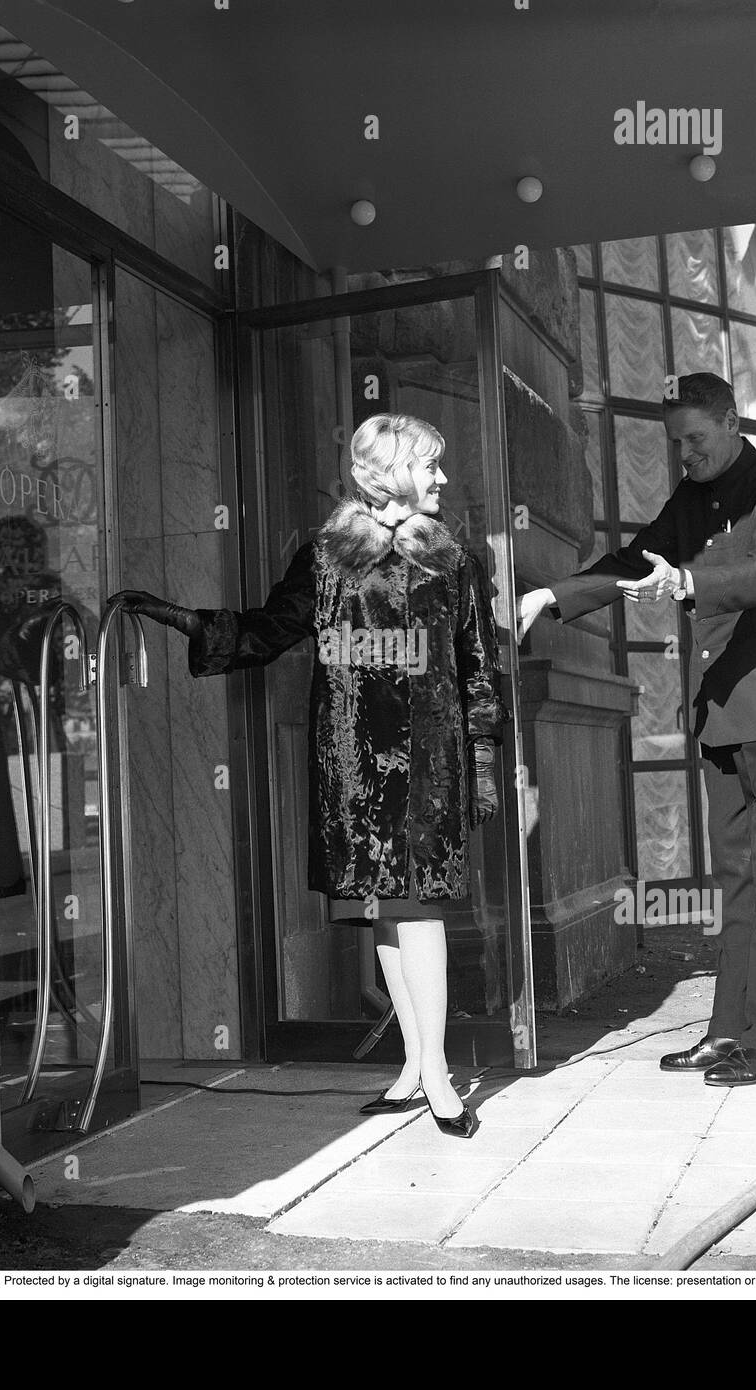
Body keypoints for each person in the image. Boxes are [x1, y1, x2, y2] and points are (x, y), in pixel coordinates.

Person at [114, 413, 509, 1135]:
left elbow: (480, 666)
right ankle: (414, 1068)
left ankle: (437, 1074)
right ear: (384, 471)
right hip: (353, 761)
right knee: (385, 911)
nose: (443, 478)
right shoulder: (326, 556)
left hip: (428, 761)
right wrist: (179, 618)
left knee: (419, 910)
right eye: (429, 464)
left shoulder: (453, 559)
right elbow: (270, 629)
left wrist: (479, 762)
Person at [519, 373, 756, 1087]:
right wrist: (550, 596)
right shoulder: (691, 497)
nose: (683, 454)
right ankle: (728, 1030)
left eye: (694, 438)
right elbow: (636, 563)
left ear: (728, 422)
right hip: (719, 712)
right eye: (674, 443)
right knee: (734, 880)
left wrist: (688, 584)